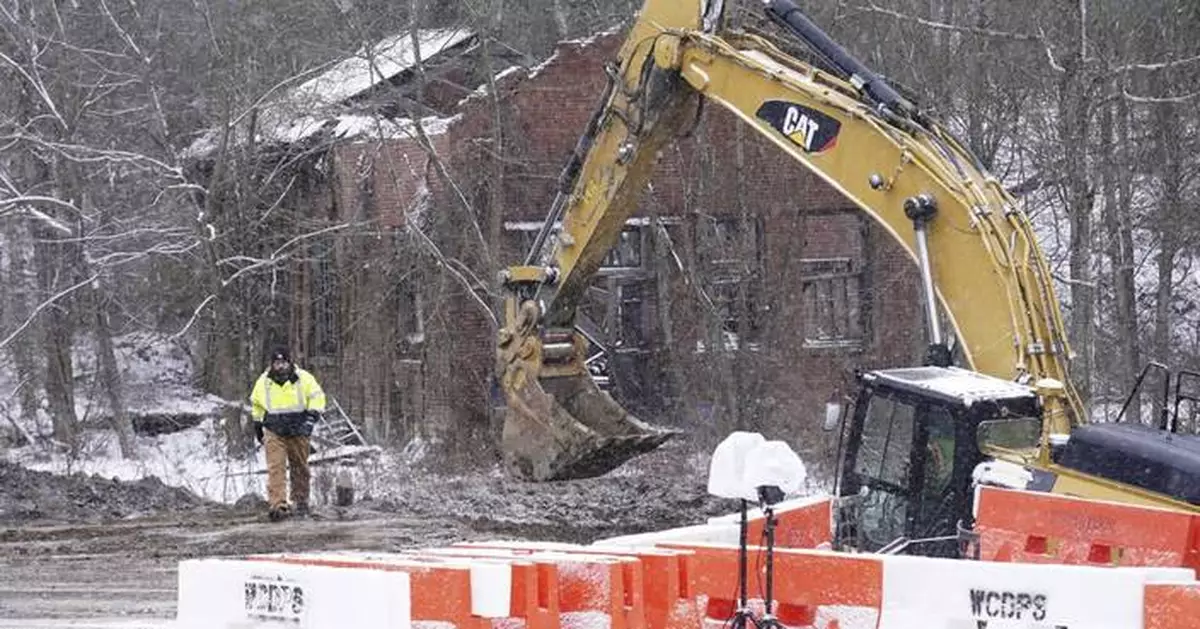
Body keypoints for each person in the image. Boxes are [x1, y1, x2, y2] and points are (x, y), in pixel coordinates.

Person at [249, 347, 326, 521]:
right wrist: (257, 424)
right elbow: (256, 404)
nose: (280, 366)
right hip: (274, 429)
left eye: (283, 362)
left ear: (290, 362)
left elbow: (317, 397)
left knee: (300, 466)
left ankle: (301, 501)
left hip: (298, 428)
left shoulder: (304, 379)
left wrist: (312, 417)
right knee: (276, 467)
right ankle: (278, 505)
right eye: (277, 363)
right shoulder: (263, 382)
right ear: (272, 364)